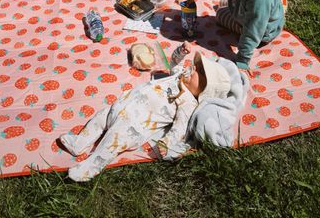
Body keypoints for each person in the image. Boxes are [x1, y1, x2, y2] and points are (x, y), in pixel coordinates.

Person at [60, 41, 231, 182]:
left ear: (204, 90)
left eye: (198, 71)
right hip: (121, 106)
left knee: (111, 144)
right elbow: (175, 63)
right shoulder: (179, 76)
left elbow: (180, 127)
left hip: (133, 126)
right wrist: (181, 51)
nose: (192, 68)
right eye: (197, 65)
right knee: (99, 118)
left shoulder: (187, 102)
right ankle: (79, 143)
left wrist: (166, 143)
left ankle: (88, 169)